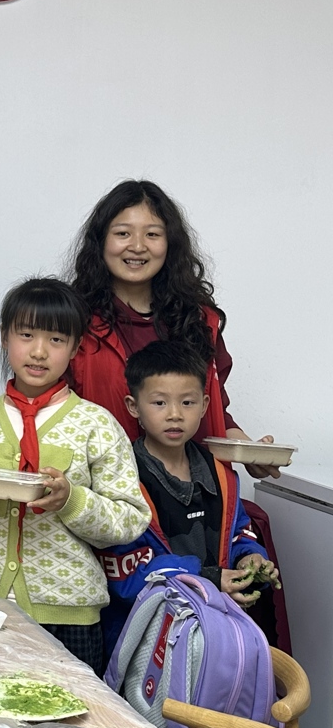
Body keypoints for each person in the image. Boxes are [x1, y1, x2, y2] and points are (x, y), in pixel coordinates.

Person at [67, 178, 290, 650]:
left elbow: (215, 406)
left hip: (193, 501)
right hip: (112, 505)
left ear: (170, 243)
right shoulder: (73, 320)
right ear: (101, 241)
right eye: (123, 232)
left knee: (205, 643)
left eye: (152, 233)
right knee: (127, 643)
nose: (137, 246)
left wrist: (246, 448)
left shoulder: (200, 318)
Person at [0, 278, 150, 675]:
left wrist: (70, 499)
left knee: (69, 712)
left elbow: (130, 519)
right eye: (26, 335)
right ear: (5, 337)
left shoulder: (95, 424)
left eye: (56, 339)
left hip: (68, 611)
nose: (39, 351)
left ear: (75, 348)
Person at [96, 340, 277, 657]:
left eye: (188, 402)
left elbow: (238, 533)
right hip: (145, 645)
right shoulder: (122, 479)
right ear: (133, 406)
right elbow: (124, 578)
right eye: (159, 403)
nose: (175, 415)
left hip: (215, 637)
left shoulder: (220, 475)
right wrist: (207, 579)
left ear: (205, 405)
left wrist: (249, 559)